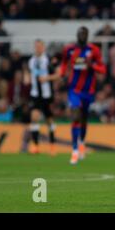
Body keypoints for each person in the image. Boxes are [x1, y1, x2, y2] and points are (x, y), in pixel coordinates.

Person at [59, 26, 106, 164]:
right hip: (74, 89)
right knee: (75, 114)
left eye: (84, 33)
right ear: (77, 35)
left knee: (84, 118)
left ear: (87, 35)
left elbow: (102, 69)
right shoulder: (69, 49)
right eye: (80, 33)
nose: (82, 35)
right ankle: (74, 150)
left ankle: (81, 142)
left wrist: (93, 66)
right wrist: (62, 74)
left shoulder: (94, 50)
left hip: (88, 91)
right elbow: (63, 63)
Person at [24, 40, 59, 155]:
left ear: (43, 47)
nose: (38, 48)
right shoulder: (31, 61)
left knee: (49, 120)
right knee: (34, 117)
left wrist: (46, 78)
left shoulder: (48, 60)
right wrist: (27, 78)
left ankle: (52, 144)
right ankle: (35, 145)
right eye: (36, 46)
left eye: (40, 46)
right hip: (35, 94)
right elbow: (28, 74)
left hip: (47, 95)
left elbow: (58, 75)